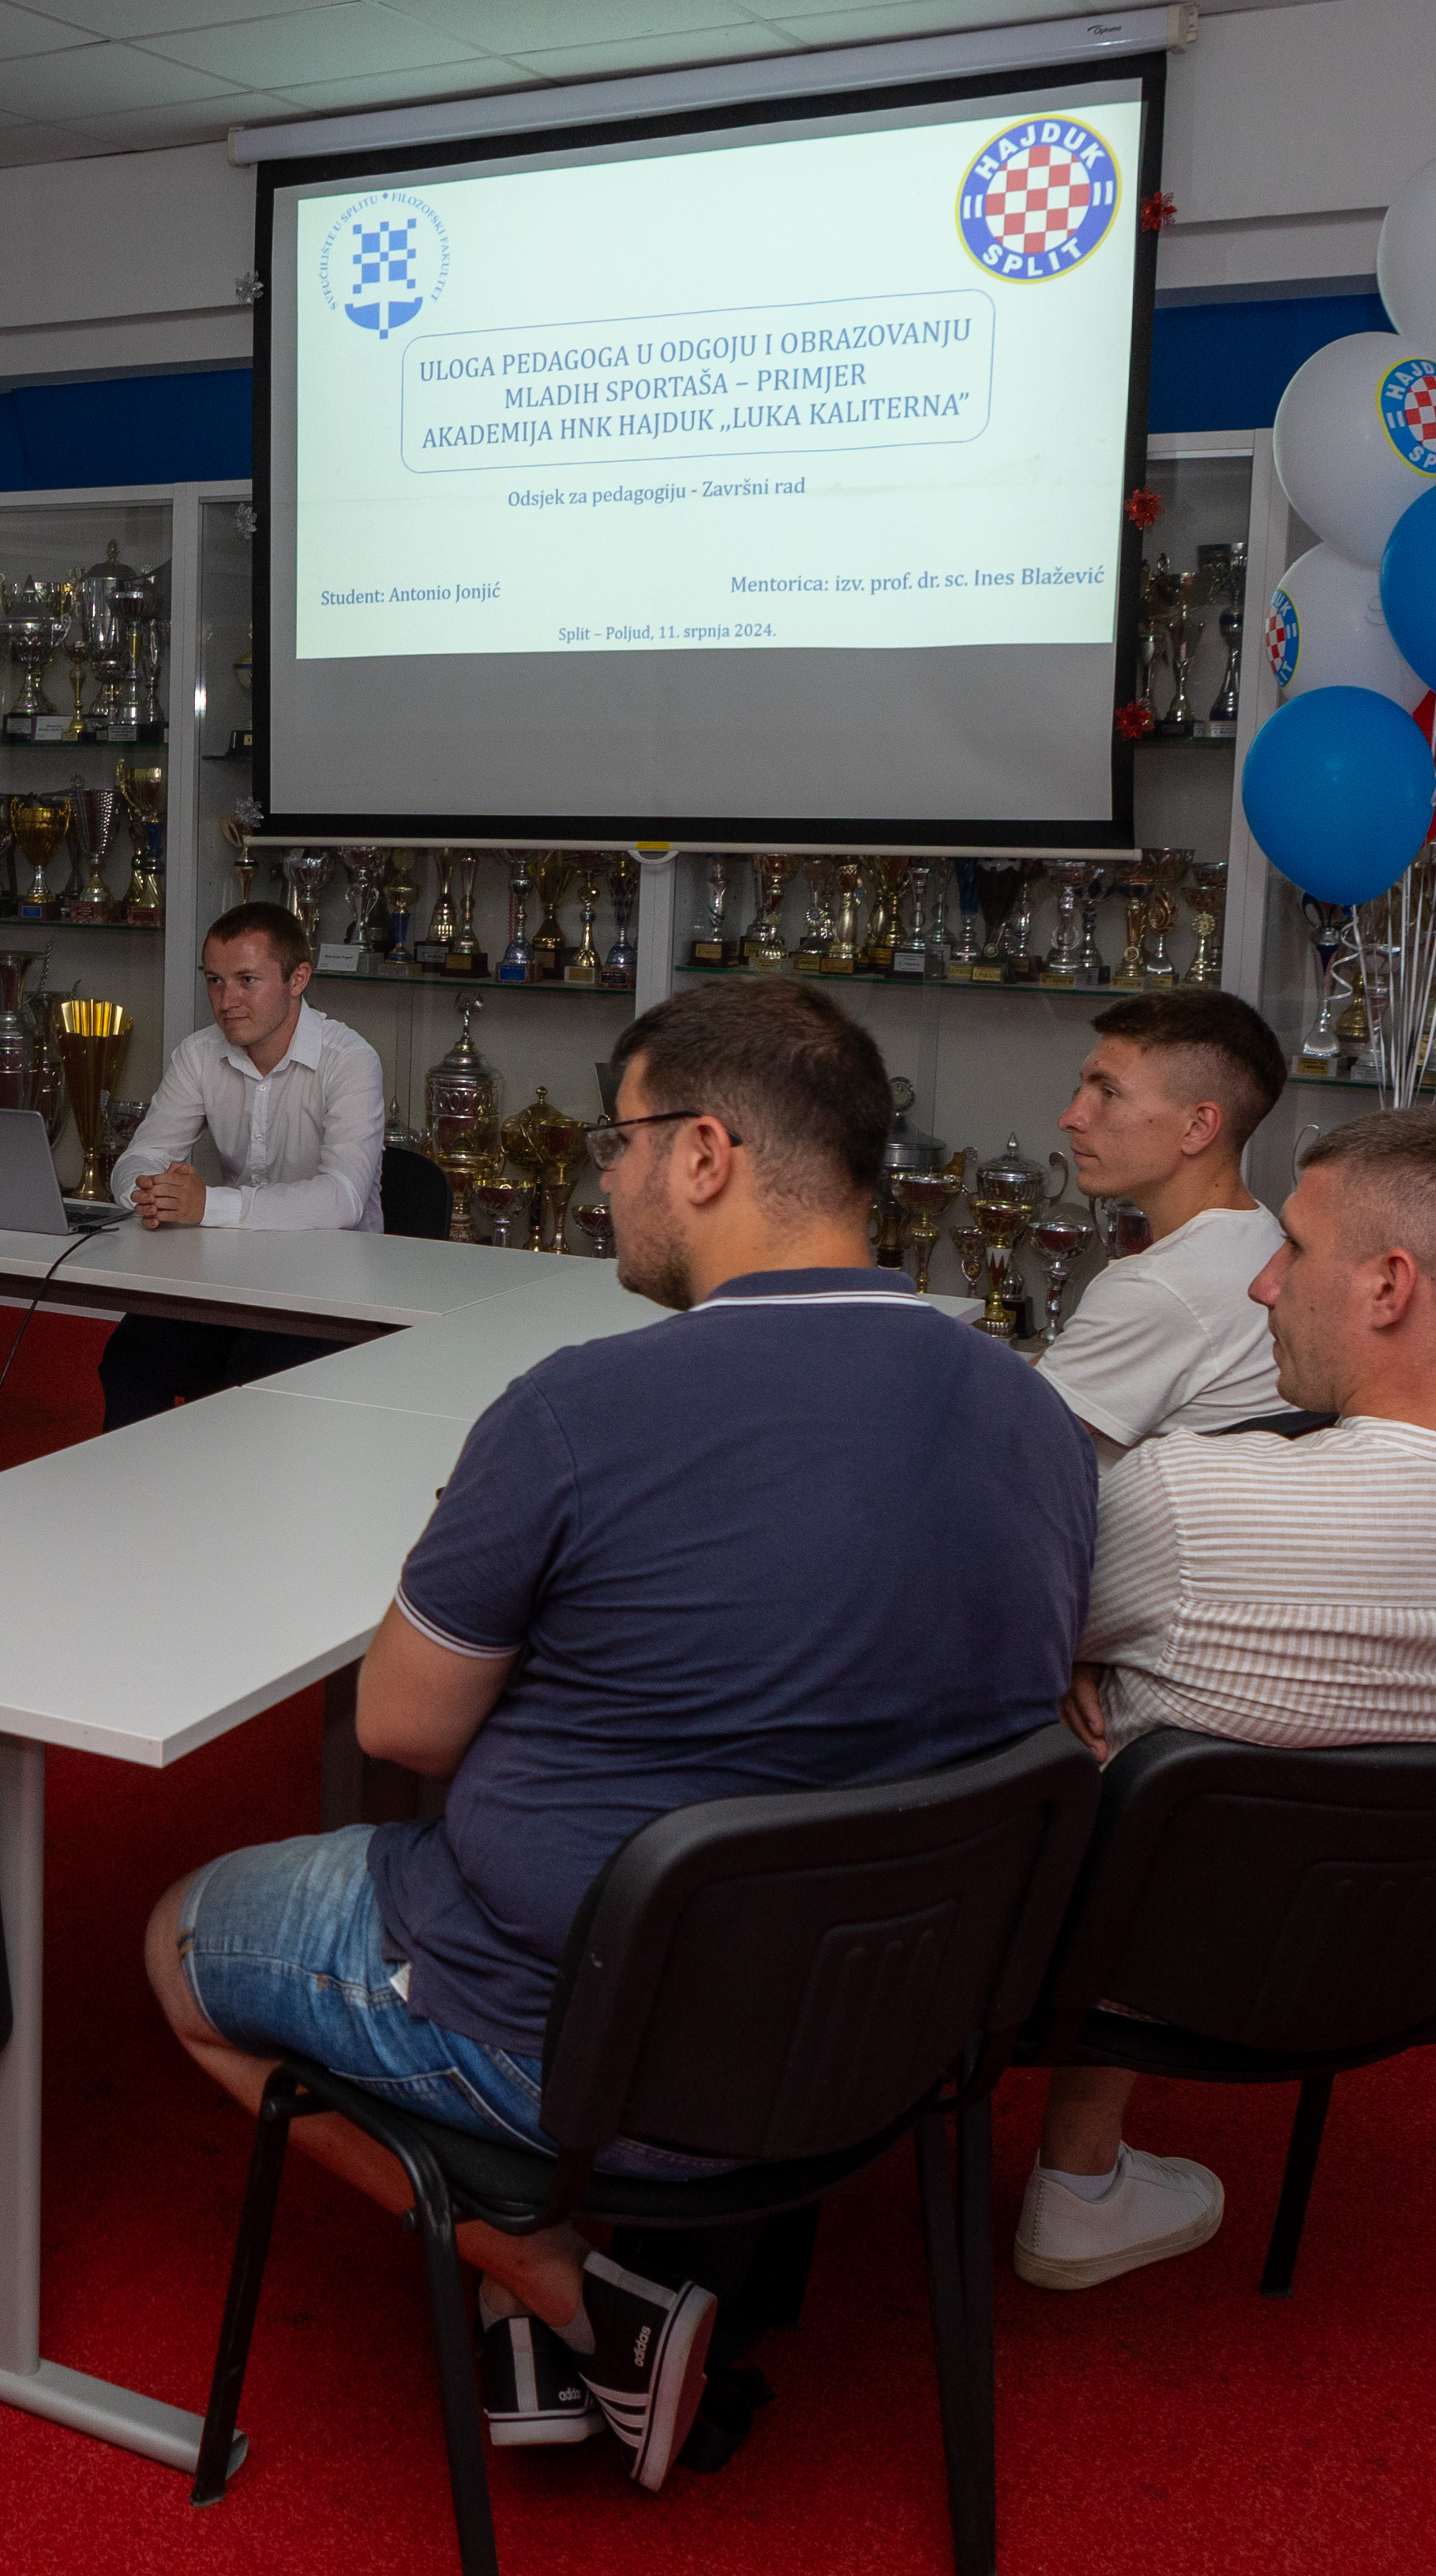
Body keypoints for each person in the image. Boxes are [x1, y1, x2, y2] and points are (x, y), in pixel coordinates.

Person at [146, 979, 1093, 2484]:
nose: (605, 1178)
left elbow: (401, 1728)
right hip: (889, 2023)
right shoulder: (1034, 1412)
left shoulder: (580, 1409)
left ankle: (549, 2274)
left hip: (582, 2039)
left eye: (621, 1141)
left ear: (704, 1154)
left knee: (175, 1941)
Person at [1018, 1104, 1436, 2294]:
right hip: (1431, 1977)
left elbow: (1016, 1646)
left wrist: (1078, 1650)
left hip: (1128, 1976)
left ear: (1388, 1287)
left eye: (1295, 1248)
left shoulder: (1190, 1497)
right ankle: (1078, 2175)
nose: (1263, 1284)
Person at [94, 899, 388, 1428]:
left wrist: (207, 1205)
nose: (226, 1001)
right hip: (228, 1281)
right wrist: (147, 1188)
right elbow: (143, 1152)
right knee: (130, 1360)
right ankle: (133, 1484)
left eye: (247, 980)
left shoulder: (351, 1060)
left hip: (329, 1293)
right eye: (214, 981)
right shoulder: (197, 1054)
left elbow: (343, 1198)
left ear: (298, 979)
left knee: (255, 1385)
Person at [1037, 989, 1294, 1458]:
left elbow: (996, 1440)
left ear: (1198, 1128)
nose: (1071, 1117)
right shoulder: (1262, 1238)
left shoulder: (1160, 1288)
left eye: (1108, 1093)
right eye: (1082, 1089)